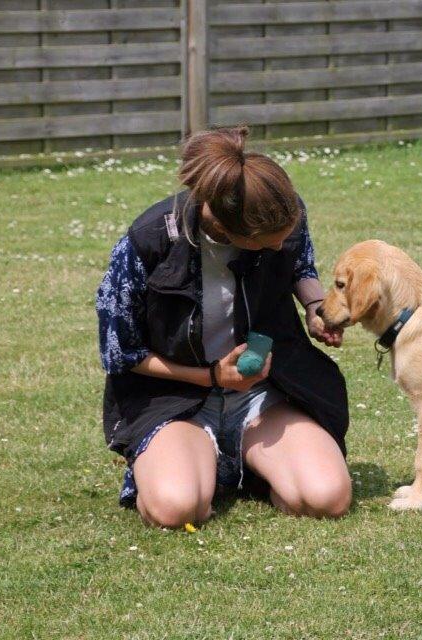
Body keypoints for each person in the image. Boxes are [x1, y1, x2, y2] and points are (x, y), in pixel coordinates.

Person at [96, 125, 351, 528]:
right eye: (266, 245)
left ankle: (244, 465)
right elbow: (121, 353)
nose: (275, 249)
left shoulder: (283, 214)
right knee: (176, 510)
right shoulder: (148, 242)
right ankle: (184, 462)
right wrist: (211, 375)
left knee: (327, 498)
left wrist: (315, 306)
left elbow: (300, 265)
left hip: (266, 393)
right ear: (230, 231)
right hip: (176, 399)